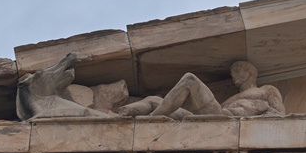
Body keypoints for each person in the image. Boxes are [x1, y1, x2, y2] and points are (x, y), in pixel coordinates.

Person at [119, 61, 284, 118]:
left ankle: (151, 119)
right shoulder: (233, 98)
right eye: (232, 72)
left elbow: (279, 114)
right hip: (213, 115)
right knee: (153, 100)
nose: (233, 75)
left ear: (250, 72)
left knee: (190, 79)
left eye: (237, 71)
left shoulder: (266, 89)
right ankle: (121, 113)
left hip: (222, 117)